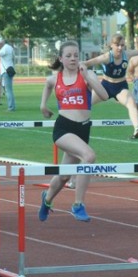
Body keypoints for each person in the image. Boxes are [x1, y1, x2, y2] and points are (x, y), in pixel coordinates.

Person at [38, 40, 109, 222]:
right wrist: (43, 106)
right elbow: (47, 86)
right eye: (68, 56)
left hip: (83, 129)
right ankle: (78, 205)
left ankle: (46, 199)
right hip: (64, 128)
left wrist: (89, 78)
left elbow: (104, 96)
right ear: (61, 58)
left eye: (76, 55)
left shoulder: (87, 75)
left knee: (63, 176)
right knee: (89, 156)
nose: (73, 59)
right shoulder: (55, 79)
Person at [84, 34, 138, 139]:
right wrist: (70, 65)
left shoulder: (127, 55)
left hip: (120, 87)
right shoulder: (106, 57)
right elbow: (87, 63)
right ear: (111, 45)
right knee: (86, 102)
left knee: (131, 103)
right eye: (117, 45)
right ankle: (78, 123)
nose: (120, 48)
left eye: (122, 45)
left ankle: (137, 127)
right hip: (105, 86)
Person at [0, 37, 16, 111]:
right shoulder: (10, 48)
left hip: (6, 71)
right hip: (10, 69)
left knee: (8, 90)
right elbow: (13, 58)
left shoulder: (5, 48)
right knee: (9, 89)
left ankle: (11, 107)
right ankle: (12, 106)